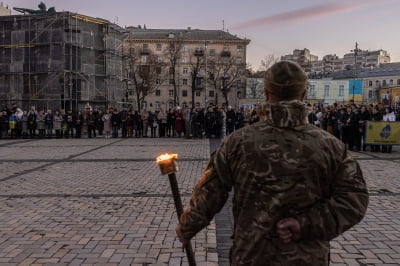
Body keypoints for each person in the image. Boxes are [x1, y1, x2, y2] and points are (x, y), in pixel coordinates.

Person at [176, 61, 369, 265]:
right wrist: (305, 224)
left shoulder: (238, 142)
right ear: (304, 94)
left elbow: (211, 190)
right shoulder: (331, 147)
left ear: (266, 93)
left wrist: (188, 226)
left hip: (252, 254)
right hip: (307, 258)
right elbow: (354, 198)